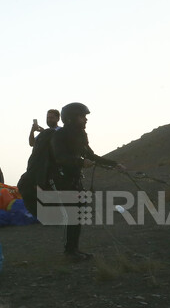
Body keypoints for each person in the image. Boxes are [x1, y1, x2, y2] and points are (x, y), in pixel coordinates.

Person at [50, 103, 125, 261]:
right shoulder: (60, 135)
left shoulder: (81, 135)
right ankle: (70, 252)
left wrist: (113, 164)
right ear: (71, 118)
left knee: (77, 214)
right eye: (82, 116)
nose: (85, 119)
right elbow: (60, 158)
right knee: (73, 215)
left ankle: (73, 250)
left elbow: (91, 155)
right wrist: (80, 163)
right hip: (62, 180)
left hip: (75, 179)